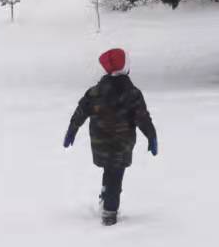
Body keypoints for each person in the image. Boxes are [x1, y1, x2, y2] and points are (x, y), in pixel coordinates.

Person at [63, 47, 157, 226]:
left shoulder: (95, 92)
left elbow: (81, 111)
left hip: (101, 144)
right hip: (122, 145)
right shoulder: (133, 94)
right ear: (125, 68)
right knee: (115, 174)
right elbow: (142, 118)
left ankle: (106, 195)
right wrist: (151, 136)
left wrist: (72, 129)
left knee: (110, 170)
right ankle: (109, 212)